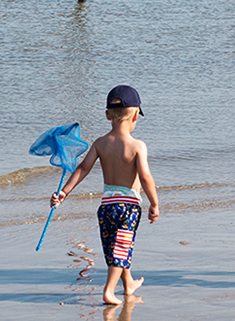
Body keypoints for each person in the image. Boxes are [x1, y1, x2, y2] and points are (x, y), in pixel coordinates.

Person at [51, 85, 160, 304]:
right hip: (128, 207)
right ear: (136, 115)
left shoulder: (100, 144)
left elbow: (82, 168)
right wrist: (154, 203)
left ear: (107, 115)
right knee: (122, 247)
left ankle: (128, 283)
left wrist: (63, 192)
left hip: (106, 207)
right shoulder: (137, 145)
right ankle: (109, 291)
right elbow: (146, 177)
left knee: (115, 246)